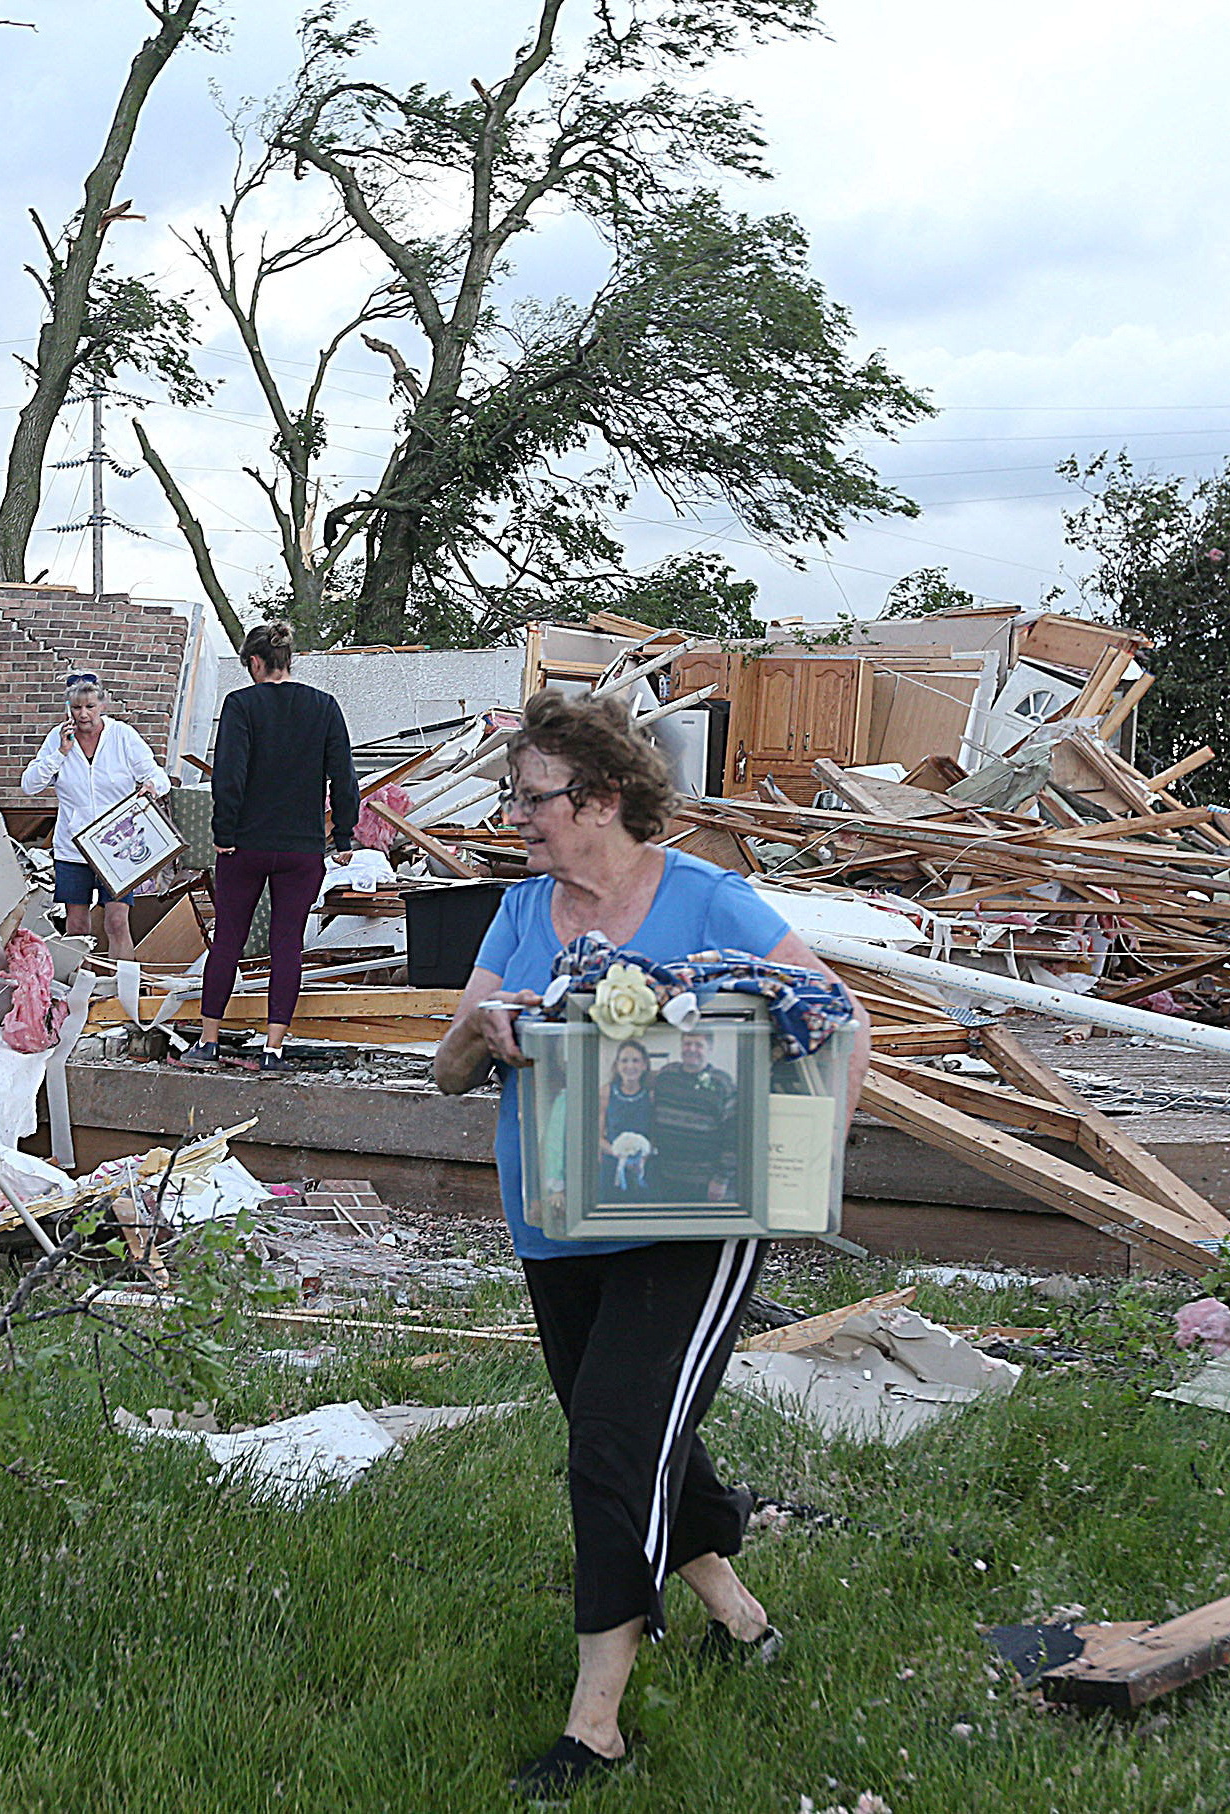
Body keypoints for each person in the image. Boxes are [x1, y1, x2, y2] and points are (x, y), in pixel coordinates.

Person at [431, 689, 869, 1801]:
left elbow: (836, 1011)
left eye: (532, 798)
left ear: (602, 796)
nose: (517, 817)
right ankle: (738, 1611)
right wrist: (479, 1031)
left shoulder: (704, 897)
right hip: (560, 1219)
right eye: (513, 797)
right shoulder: (524, 912)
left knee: (613, 1445)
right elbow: (445, 1070)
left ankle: (597, 1725)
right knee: (627, 1424)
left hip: (695, 1221)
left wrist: (805, 1157)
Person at [177, 621, 359, 1076]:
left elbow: (229, 776)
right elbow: (344, 775)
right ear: (287, 660)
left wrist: (224, 833)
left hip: (246, 847)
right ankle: (274, 1048)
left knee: (228, 942)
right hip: (301, 850)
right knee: (286, 945)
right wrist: (343, 837)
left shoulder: (241, 705)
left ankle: (208, 1042)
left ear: (255, 663)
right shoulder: (324, 706)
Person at [20, 672, 166, 961]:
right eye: (76, 708)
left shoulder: (122, 736)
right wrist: (60, 753)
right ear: (68, 709)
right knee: (76, 926)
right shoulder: (58, 739)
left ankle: (122, 985)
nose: (83, 714)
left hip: (117, 845)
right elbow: (30, 785)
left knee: (116, 920)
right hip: (73, 847)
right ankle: (78, 992)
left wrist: (151, 787)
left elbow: (156, 775)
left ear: (103, 705)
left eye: (89, 706)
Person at [645, 1026, 737, 1204]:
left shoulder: (723, 1084)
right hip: (665, 1176)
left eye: (698, 1045)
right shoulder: (666, 1075)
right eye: (687, 1044)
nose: (691, 1049)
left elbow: (733, 1137)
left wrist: (721, 1179)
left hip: (704, 1183)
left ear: (710, 1049)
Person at [599, 1040, 655, 1199]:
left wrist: (641, 1158)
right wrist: (619, 1155)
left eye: (635, 1060)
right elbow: (597, 1135)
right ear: (617, 1065)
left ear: (644, 1065)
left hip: (644, 1168)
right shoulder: (606, 1093)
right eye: (624, 1060)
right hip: (612, 1166)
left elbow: (656, 1135)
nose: (630, 1066)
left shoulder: (651, 1095)